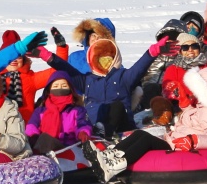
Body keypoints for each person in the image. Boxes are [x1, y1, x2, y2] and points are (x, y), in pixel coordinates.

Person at [81, 64, 207, 184]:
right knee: (140, 134)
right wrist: (184, 102)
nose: (193, 93)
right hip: (174, 140)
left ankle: (113, 166)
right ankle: (109, 155)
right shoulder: (203, 106)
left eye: (197, 89)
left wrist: (193, 140)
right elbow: (195, 119)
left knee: (145, 139)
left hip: (180, 146)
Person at [38, 30, 176, 134]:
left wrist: (152, 52)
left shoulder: (124, 77)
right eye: (100, 59)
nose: (104, 62)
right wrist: (48, 56)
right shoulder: (87, 80)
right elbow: (66, 69)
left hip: (121, 126)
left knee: (116, 106)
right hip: (93, 125)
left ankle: (105, 132)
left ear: (115, 58)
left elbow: (139, 68)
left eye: (108, 58)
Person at [0, 27, 68, 124]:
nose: (14, 60)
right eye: (10, 56)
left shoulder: (30, 78)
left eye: (18, 56)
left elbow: (58, 70)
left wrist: (61, 48)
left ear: (23, 58)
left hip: (25, 128)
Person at [25, 71, 93, 154]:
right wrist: (33, 136)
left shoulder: (77, 110)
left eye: (64, 86)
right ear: (49, 90)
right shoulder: (40, 111)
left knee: (46, 139)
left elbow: (83, 124)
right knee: (44, 139)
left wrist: (83, 133)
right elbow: (31, 126)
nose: (60, 89)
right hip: (43, 149)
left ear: (70, 89)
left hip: (69, 149)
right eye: (56, 86)